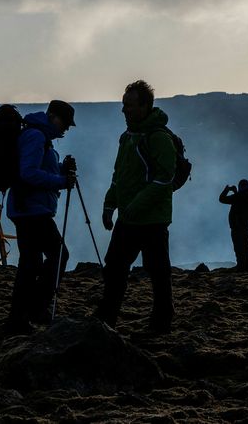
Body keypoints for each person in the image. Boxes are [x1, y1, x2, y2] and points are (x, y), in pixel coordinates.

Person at [95, 80, 177, 333]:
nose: (124, 110)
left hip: (152, 219)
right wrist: (110, 205)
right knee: (116, 268)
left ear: (145, 106)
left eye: (129, 105)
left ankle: (162, 321)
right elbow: (119, 175)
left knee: (157, 271)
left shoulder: (158, 137)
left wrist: (134, 205)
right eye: (123, 104)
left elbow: (165, 177)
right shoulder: (128, 137)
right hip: (129, 218)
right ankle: (106, 318)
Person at [3, 100, 77, 335]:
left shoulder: (40, 137)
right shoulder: (36, 136)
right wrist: (61, 181)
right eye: (65, 123)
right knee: (58, 254)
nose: (66, 129)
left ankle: (20, 317)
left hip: (27, 209)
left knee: (30, 263)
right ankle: (34, 309)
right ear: (53, 117)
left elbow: (36, 170)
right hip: (31, 210)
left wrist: (61, 172)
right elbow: (29, 173)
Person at [219, 180, 248, 272]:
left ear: (240, 186)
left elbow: (222, 199)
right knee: (247, 249)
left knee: (239, 250)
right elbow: (242, 203)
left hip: (237, 228)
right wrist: (236, 192)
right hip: (247, 227)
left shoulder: (238, 196)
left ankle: (241, 270)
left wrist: (226, 190)